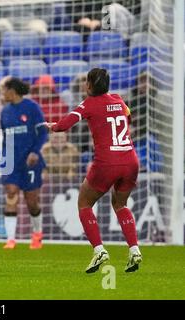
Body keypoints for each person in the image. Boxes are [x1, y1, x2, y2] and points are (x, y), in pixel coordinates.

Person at [46, 68, 142, 273]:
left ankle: (99, 250)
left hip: (107, 161)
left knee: (84, 202)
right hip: (131, 159)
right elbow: (128, 117)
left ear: (89, 85)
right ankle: (134, 250)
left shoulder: (88, 104)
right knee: (120, 204)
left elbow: (64, 125)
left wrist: (51, 126)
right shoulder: (118, 99)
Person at [0, 77, 48, 250]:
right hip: (11, 160)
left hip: (30, 161)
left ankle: (37, 234)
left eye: (4, 90)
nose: (2, 93)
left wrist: (35, 151)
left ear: (13, 90)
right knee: (11, 193)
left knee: (31, 201)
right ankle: (10, 239)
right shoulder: (4, 111)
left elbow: (43, 132)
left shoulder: (32, 107)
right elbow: (5, 138)